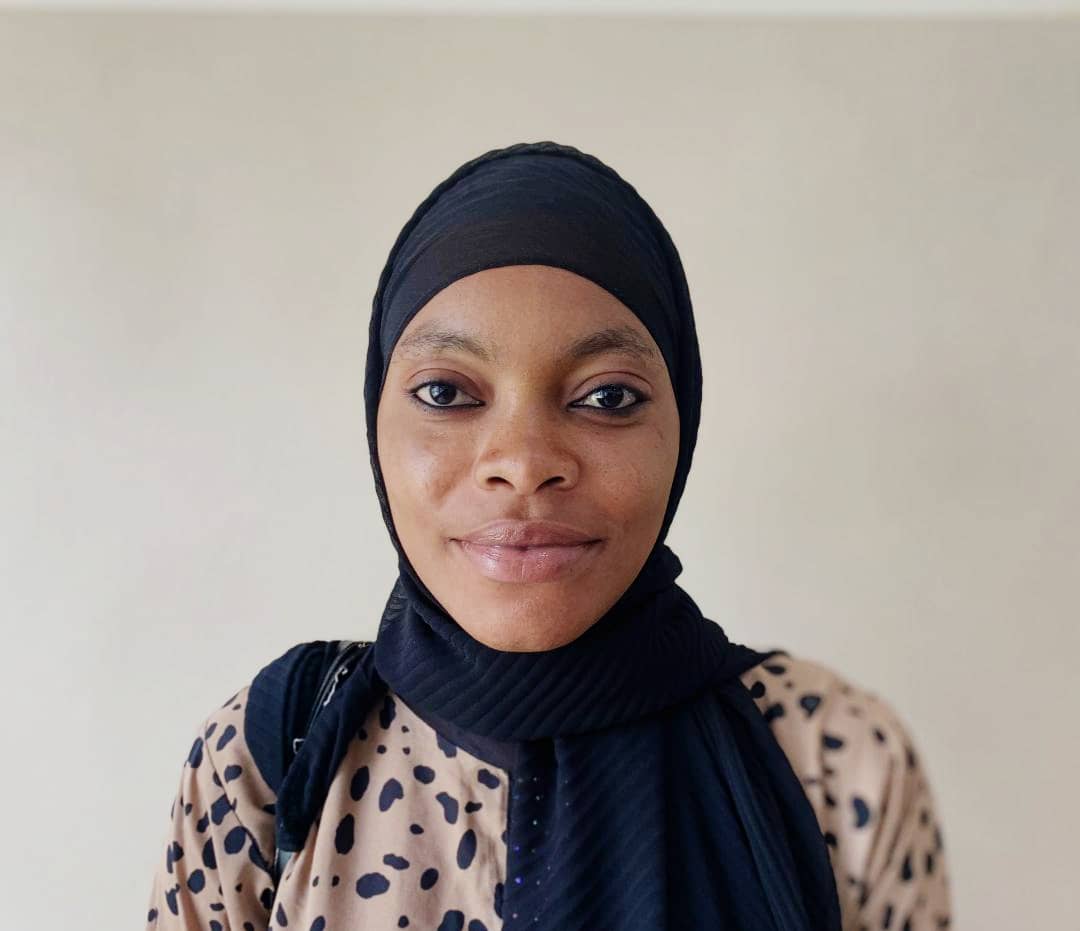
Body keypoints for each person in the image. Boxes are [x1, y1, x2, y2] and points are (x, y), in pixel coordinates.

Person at [144, 140, 952, 930]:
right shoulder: (269, 756)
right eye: (446, 391)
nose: (524, 463)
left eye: (607, 397)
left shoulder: (833, 761)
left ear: (683, 424)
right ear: (374, 420)